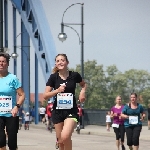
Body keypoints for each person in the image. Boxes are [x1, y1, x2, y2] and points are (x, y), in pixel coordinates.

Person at [43, 53, 86, 150]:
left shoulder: (74, 75)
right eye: (58, 61)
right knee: (61, 141)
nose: (60, 62)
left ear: (67, 62)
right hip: (57, 112)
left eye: (62, 60)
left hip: (71, 111)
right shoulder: (53, 77)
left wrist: (82, 92)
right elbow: (45, 95)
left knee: (65, 136)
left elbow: (83, 84)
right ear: (56, 64)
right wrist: (57, 90)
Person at [0, 52, 25, 150]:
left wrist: (17, 106)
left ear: (7, 64)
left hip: (11, 114)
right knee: (1, 140)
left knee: (12, 143)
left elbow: (22, 95)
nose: (1, 64)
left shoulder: (13, 78)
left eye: (3, 62)